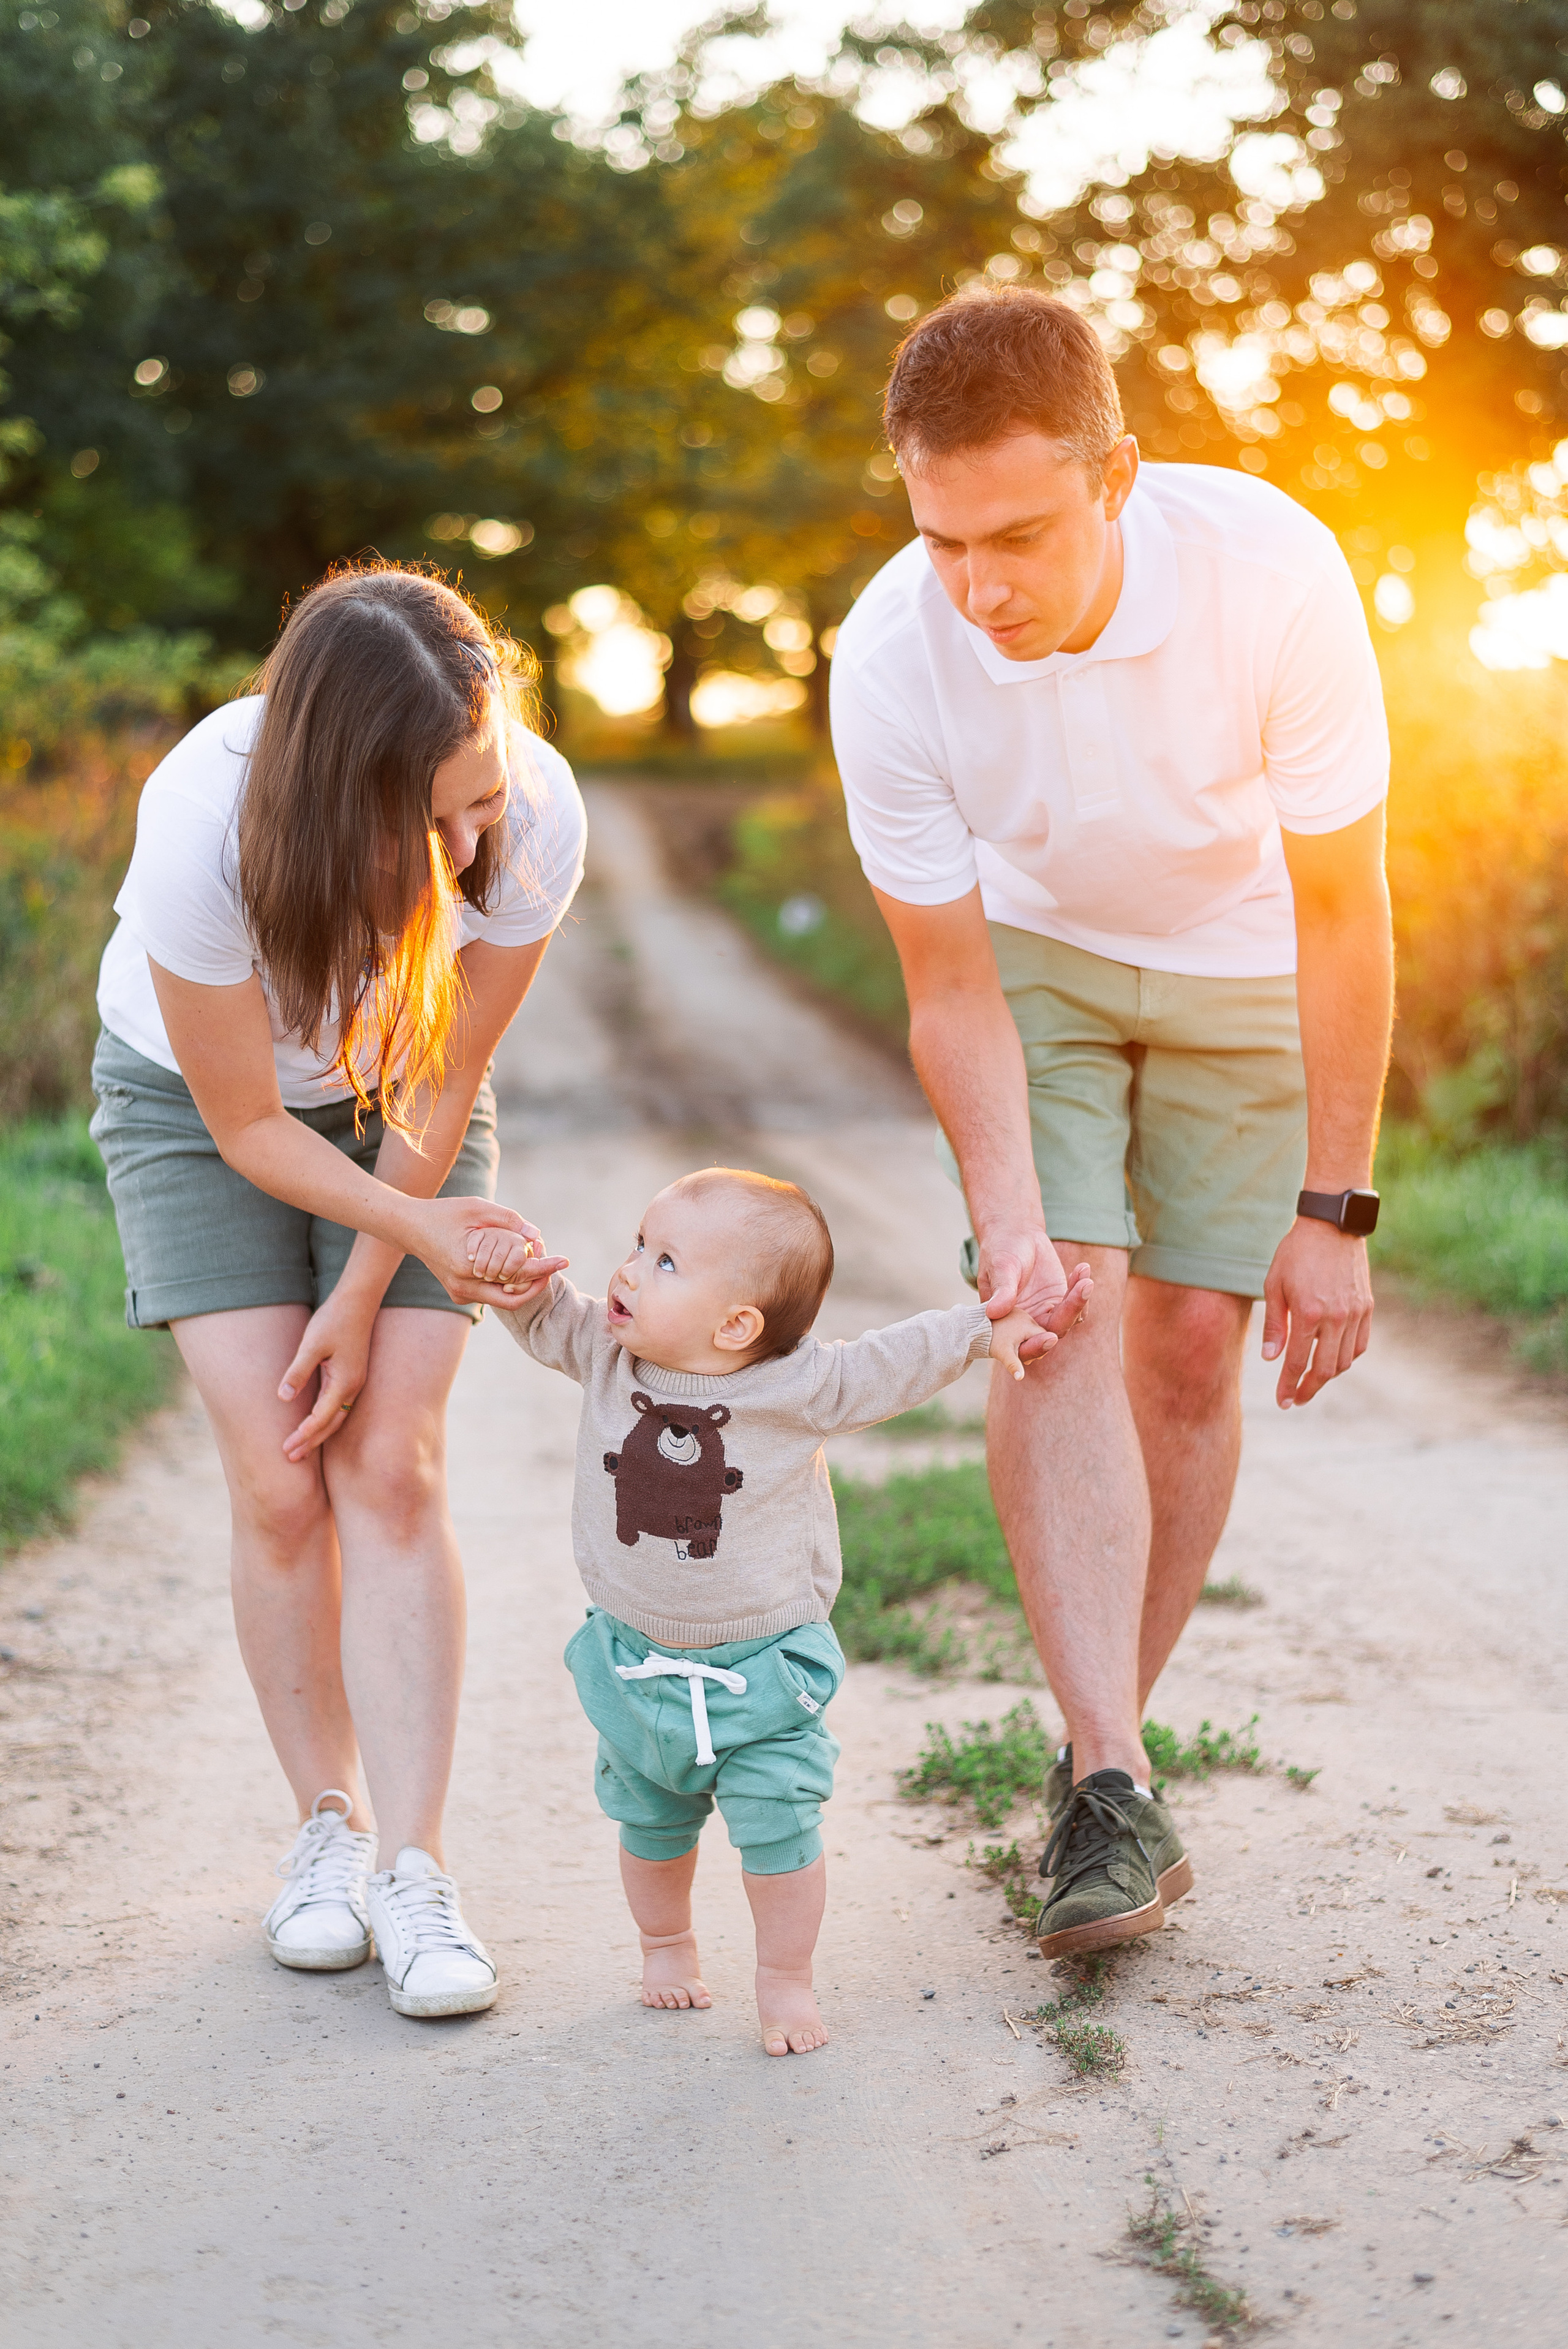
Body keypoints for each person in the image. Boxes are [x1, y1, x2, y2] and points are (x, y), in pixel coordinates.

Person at [829, 287, 1393, 1960]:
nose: (978, 585)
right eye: (942, 541)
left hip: (1246, 962)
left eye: (1017, 536)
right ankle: (1108, 1773)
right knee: (1062, 1302)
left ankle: (1100, 1772)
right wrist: (1009, 1218)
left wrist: (1338, 1206)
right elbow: (945, 984)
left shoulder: (1274, 576)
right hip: (1040, 964)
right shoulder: (891, 655)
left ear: (1118, 475)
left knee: (1189, 1351)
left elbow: (1350, 911)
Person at [89, 563, 586, 2016]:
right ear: (331, 789)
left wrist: (372, 1280)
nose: (465, 843)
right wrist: (413, 1244)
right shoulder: (202, 825)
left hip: (400, 1110)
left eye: (476, 798)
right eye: (424, 819)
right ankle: (327, 1829)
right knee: (279, 1472)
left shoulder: (534, 811)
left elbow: (446, 1074)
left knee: (391, 1462)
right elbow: (246, 1129)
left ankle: (415, 1872)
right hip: (195, 1111)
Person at [467, 1167, 1091, 2046]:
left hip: (761, 1675)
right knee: (648, 1823)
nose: (630, 1271)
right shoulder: (604, 1353)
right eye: (639, 1246)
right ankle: (666, 1944)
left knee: (780, 1828)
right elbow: (540, 1313)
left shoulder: (796, 1387)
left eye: (666, 1260)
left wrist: (984, 1333)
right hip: (633, 1662)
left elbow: (893, 1358)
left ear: (736, 1324)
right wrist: (512, 1275)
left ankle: (785, 1978)